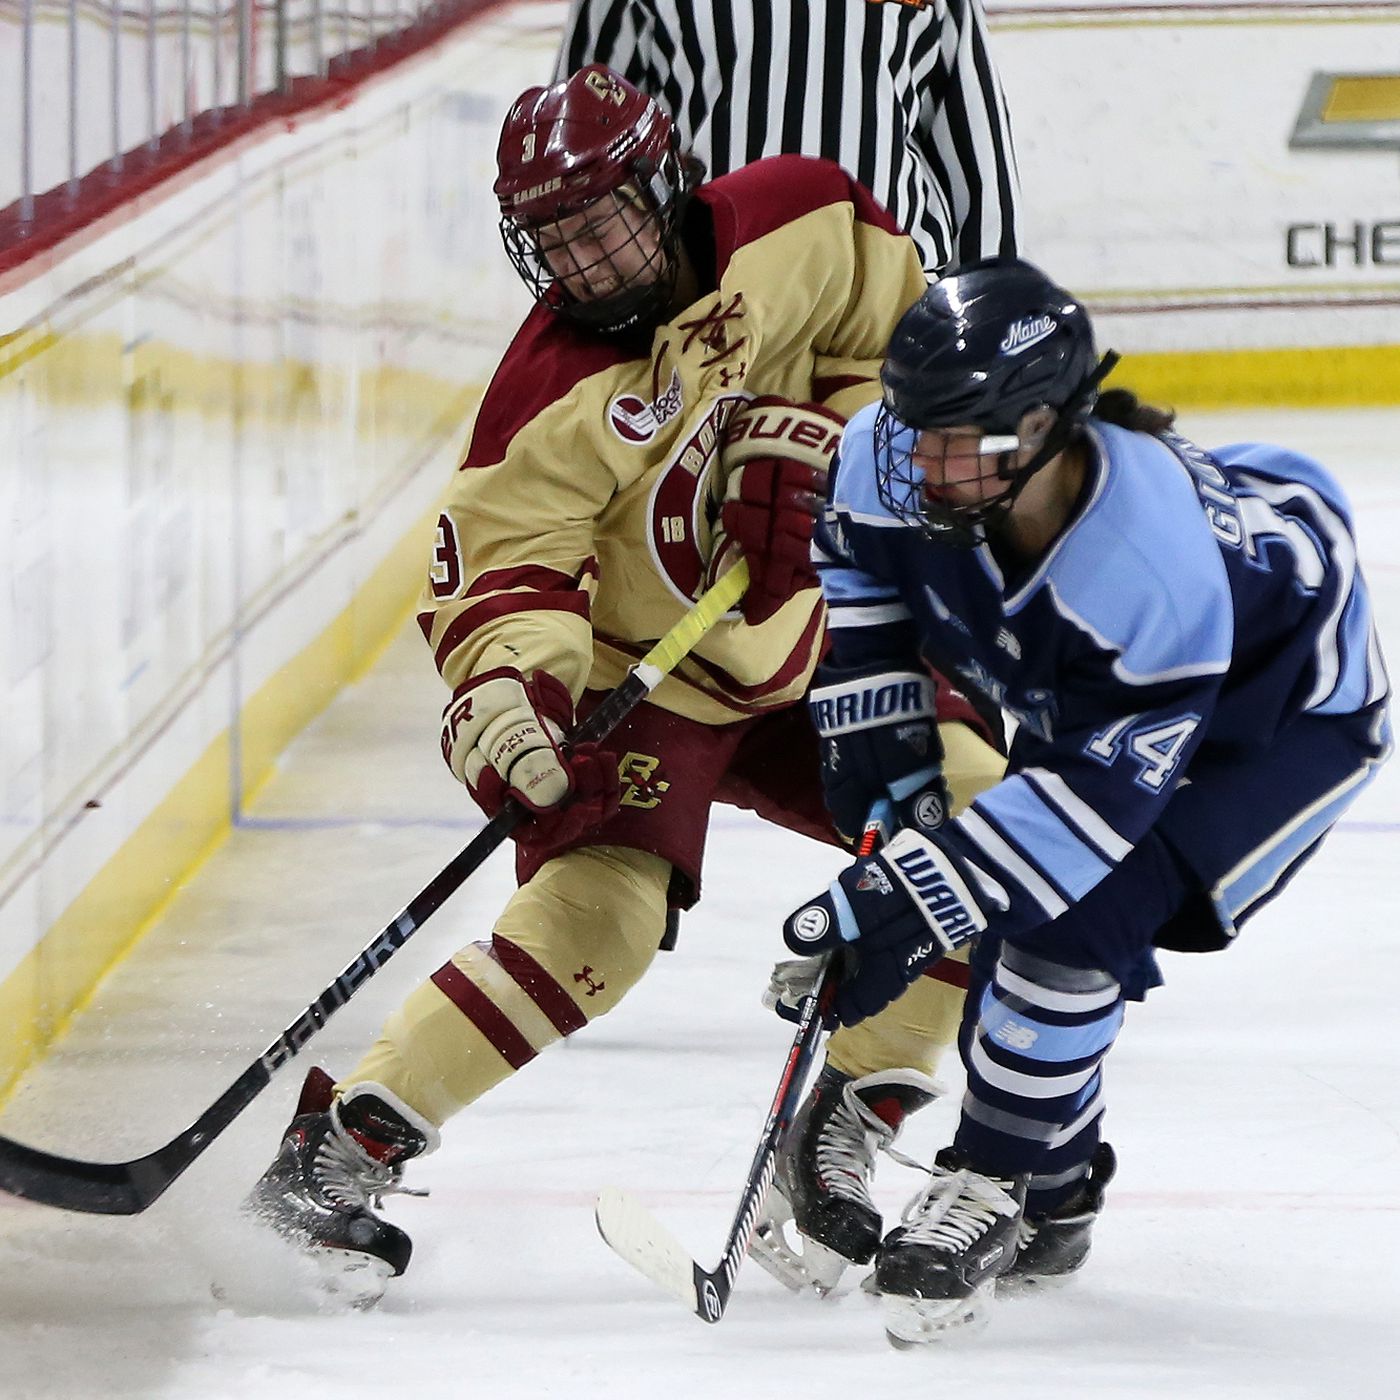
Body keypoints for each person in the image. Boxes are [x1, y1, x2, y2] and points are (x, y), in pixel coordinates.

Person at [245, 64, 1007, 1304]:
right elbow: (501, 582)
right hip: (645, 677)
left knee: (985, 830)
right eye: (550, 237)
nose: (584, 260)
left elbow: (907, 352)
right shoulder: (544, 396)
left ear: (663, 180)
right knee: (593, 921)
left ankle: (844, 1129)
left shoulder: (801, 218)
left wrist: (831, 446)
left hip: (823, 640)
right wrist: (515, 711)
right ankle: (342, 1148)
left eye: (601, 220)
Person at [779, 255, 1392, 1343]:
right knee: (1015, 939)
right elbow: (863, 566)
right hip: (1108, 687)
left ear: (1046, 428)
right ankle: (1059, 1194)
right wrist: (884, 745)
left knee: (1067, 927)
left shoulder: (1143, 572)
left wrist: (909, 896)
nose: (921, 462)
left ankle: (993, 1182)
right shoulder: (903, 450)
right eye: (914, 428)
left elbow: (1083, 819)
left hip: (1278, 713)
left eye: (956, 442)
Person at [553, 0, 1021, 276]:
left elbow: (975, 145)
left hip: (894, 305)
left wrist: (992, 307)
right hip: (713, 306)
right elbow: (575, 140)